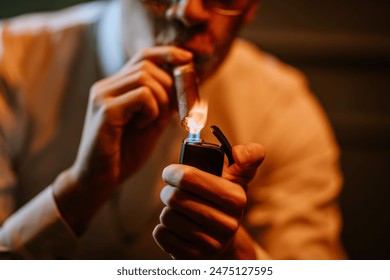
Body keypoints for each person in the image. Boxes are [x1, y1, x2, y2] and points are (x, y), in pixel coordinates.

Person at [0, 0, 346, 259]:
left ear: (251, 6)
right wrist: (79, 192)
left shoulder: (282, 108)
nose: (190, 11)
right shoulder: (11, 65)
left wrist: (235, 258)